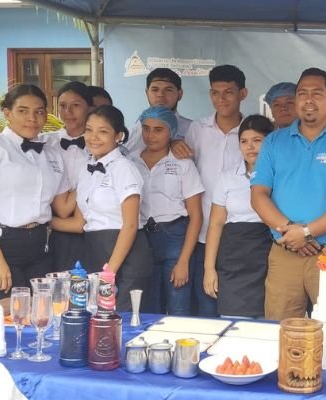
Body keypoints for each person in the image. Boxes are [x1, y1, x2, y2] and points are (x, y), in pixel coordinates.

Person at [251, 67, 326, 320]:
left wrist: (306, 232)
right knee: (281, 332)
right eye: (302, 93)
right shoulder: (274, 142)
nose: (309, 100)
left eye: (317, 93)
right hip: (285, 253)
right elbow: (258, 194)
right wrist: (291, 230)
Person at [0, 84, 75, 300]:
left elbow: (62, 208)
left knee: (43, 313)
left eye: (39, 111)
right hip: (2, 243)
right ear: (7, 113)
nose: (32, 119)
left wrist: (97, 171)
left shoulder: (51, 154)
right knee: (8, 316)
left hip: (41, 245)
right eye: (23, 111)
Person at [50, 105, 151, 311]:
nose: (93, 137)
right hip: (94, 248)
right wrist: (42, 221)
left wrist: (110, 272)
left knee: (121, 319)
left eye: (103, 131)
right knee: (96, 317)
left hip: (125, 253)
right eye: (89, 130)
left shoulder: (124, 168)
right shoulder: (86, 170)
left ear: (119, 136)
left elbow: (130, 225)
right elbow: (80, 223)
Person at [169, 64, 248, 317]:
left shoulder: (253, 132)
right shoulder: (198, 129)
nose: (221, 99)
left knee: (242, 307)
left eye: (228, 92)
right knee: (207, 305)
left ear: (243, 94)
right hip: (203, 232)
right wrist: (174, 144)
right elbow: (185, 166)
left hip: (242, 232)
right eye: (215, 93)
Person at [133, 106, 203, 315]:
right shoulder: (130, 161)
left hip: (175, 237)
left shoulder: (182, 163)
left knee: (178, 308)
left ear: (171, 132)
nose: (150, 135)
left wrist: (183, 261)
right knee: (147, 307)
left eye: (158, 129)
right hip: (142, 239)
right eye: (146, 129)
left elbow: (196, 216)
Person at [203, 115, 275, 318]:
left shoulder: (282, 175)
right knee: (233, 322)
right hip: (234, 258)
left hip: (269, 255)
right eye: (244, 141)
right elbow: (216, 224)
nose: (250, 147)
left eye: (257, 140)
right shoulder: (227, 177)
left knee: (269, 325)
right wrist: (209, 268)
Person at [42, 81, 93, 272]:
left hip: (89, 220)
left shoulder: (99, 143)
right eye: (62, 106)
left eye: (76, 105)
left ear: (89, 107)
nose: (68, 111)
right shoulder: (45, 143)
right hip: (52, 222)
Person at [126, 68, 193, 154]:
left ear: (180, 94)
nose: (160, 94)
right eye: (155, 90)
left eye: (168, 90)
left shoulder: (192, 129)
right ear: (147, 93)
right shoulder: (133, 131)